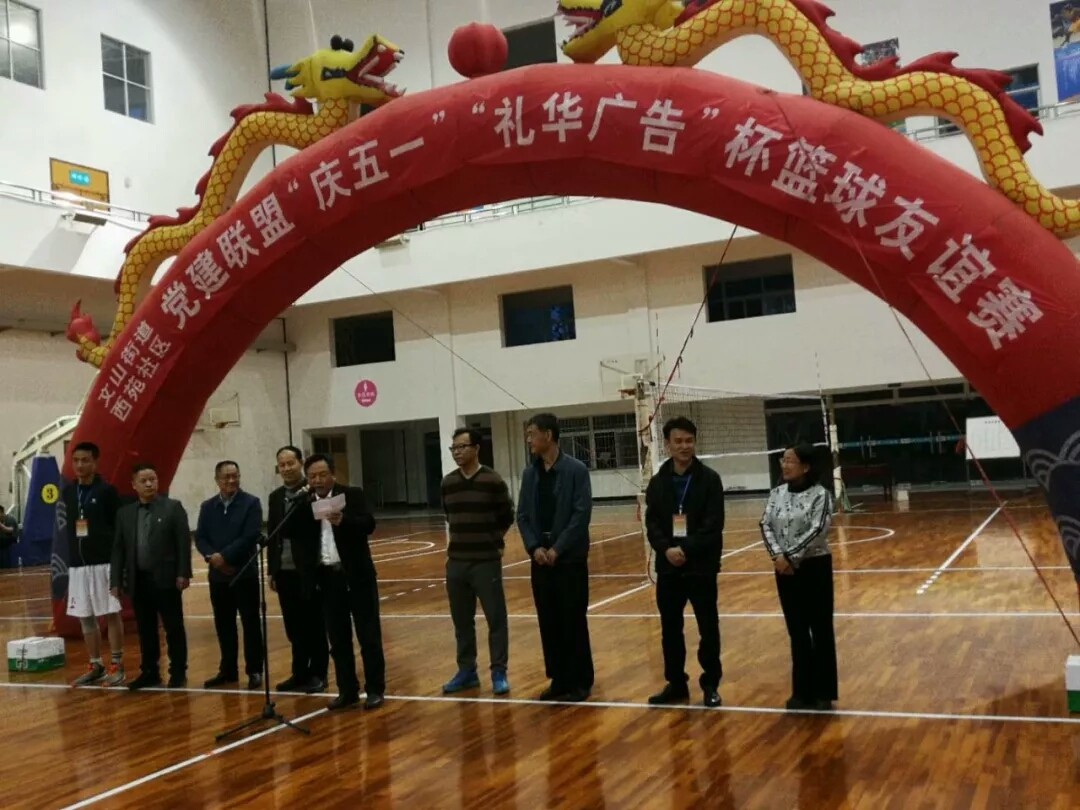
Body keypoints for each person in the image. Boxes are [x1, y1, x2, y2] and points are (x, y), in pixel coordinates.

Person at [644, 417, 725, 708]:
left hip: (700, 566)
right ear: (667, 444)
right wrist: (666, 549)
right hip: (669, 568)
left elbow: (713, 524)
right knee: (670, 629)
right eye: (678, 441)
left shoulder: (710, 479)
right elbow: (652, 522)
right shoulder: (658, 482)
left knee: (708, 628)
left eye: (689, 441)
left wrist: (685, 549)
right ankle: (676, 683)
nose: (684, 446)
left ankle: (710, 683)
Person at [296, 453, 386, 710]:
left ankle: (375, 689)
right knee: (338, 639)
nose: (317, 480)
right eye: (312, 476)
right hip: (327, 578)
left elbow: (368, 524)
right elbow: (297, 536)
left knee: (368, 636)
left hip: (356, 576)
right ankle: (347, 690)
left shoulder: (352, 495)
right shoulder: (305, 503)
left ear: (333, 474)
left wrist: (344, 521)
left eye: (322, 474)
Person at [516, 412, 594, 702]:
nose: (528, 439)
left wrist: (558, 549)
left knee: (573, 620)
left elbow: (580, 515)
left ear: (548, 435)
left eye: (532, 433)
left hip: (569, 560)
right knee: (548, 621)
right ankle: (559, 679)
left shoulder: (576, 470)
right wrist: (534, 547)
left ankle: (581, 681)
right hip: (540, 560)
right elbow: (522, 516)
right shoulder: (530, 474)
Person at [759, 442, 837, 712]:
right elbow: (765, 524)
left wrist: (791, 557)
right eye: (783, 460)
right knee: (797, 631)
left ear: (805, 466)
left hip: (814, 567)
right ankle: (801, 691)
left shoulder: (821, 495)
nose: (785, 465)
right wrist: (778, 556)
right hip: (784, 569)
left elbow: (818, 529)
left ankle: (823, 692)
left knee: (821, 629)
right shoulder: (776, 493)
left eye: (790, 460)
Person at [440, 427, 515, 696]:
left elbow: (507, 516)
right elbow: (449, 515)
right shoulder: (448, 483)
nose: (457, 452)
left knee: (496, 619)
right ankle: (467, 671)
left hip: (486, 562)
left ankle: (498, 672)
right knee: (462, 622)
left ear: (476, 448)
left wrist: (491, 541)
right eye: (454, 448)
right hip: (456, 562)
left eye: (462, 447)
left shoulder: (492, 481)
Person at [110, 462, 192, 691]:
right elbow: (118, 549)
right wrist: (115, 580)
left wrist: (183, 573)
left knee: (173, 627)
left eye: (152, 479)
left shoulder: (172, 508)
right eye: (143, 481)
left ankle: (178, 671)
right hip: (139, 580)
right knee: (145, 629)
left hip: (167, 579)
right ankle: (149, 671)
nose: (149, 484)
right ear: (133, 485)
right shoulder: (125, 514)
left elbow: (183, 542)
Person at [195, 461, 264, 690]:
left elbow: (250, 535)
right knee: (223, 624)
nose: (232, 480)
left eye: (235, 476)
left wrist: (224, 557)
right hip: (218, 576)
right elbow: (200, 537)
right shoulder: (207, 507)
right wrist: (212, 557)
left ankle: (254, 670)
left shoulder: (251, 503)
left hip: (244, 573)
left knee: (250, 623)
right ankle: (228, 670)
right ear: (217, 480)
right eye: (226, 477)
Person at [62, 442, 125, 687]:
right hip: (78, 565)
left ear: (95, 463)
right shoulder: (69, 492)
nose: (79, 465)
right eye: (75, 460)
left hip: (103, 563)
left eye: (85, 460)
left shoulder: (107, 491)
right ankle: (95, 664)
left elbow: (117, 529)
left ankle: (117, 664)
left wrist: (117, 561)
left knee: (110, 612)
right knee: (85, 616)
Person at [267, 445, 328, 694]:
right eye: (282, 465)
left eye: (290, 463)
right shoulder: (275, 497)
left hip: (309, 569)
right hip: (284, 571)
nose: (286, 468)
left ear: (300, 463)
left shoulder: (313, 493)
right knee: (293, 626)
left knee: (314, 624)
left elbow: (320, 530)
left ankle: (319, 673)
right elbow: (272, 535)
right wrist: (272, 570)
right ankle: (299, 672)